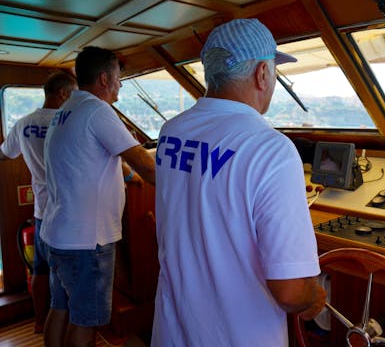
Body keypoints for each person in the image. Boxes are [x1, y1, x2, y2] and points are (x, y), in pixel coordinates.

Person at [152, 19, 326, 346]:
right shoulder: (270, 149)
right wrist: (314, 296)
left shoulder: (171, 132)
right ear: (262, 73)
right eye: (274, 70)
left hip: (173, 331)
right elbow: (290, 291)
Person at [40, 46, 156, 347]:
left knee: (60, 308)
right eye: (118, 78)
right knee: (85, 322)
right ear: (104, 79)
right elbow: (143, 163)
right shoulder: (96, 110)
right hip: (85, 242)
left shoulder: (66, 109)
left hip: (58, 234)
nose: (120, 84)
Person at [0, 72, 77, 334]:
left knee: (40, 270)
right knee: (69, 273)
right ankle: (69, 326)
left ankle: (38, 322)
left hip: (42, 210)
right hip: (70, 212)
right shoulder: (69, 121)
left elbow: (4, 154)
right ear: (63, 94)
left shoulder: (23, 123)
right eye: (74, 93)